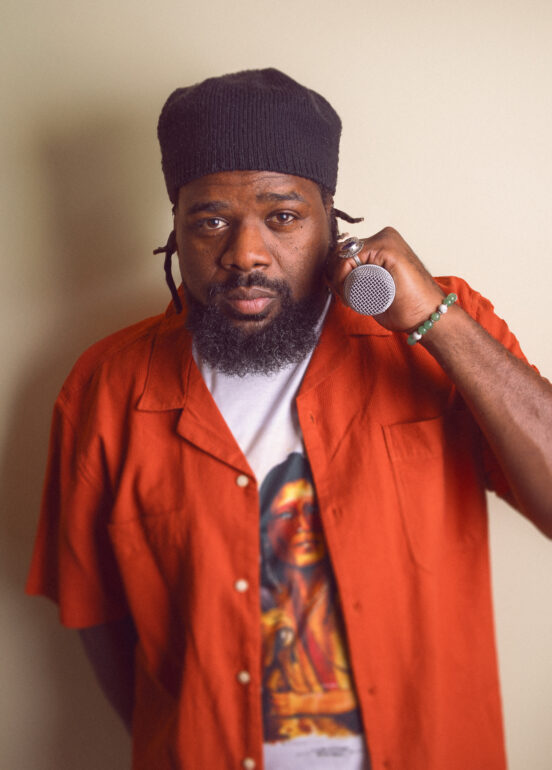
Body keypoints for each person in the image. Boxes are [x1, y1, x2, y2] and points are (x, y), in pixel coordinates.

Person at [26, 68, 552, 770]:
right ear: (176, 230)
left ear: (331, 220)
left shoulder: (438, 329)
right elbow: (98, 616)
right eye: (211, 220)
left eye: (282, 217)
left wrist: (433, 318)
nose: (245, 254)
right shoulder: (107, 389)